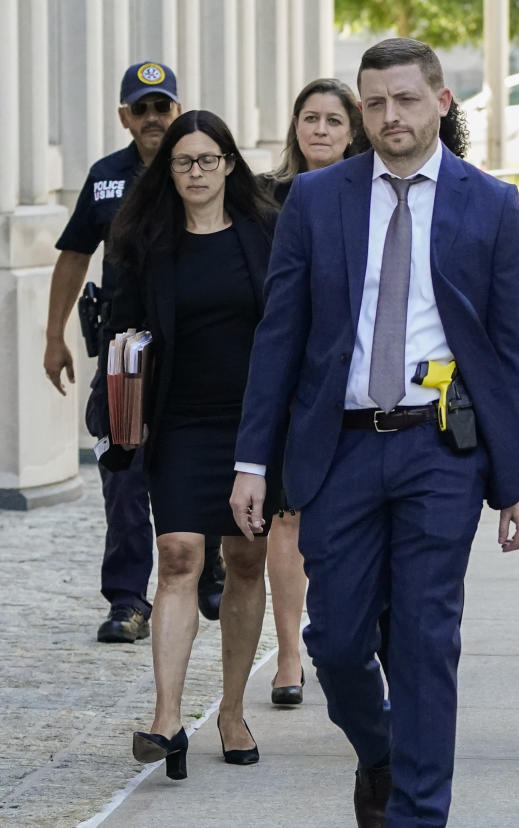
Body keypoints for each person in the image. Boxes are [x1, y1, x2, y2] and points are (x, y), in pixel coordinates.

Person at [228, 38, 519, 827]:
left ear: (440, 99)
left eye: (404, 98)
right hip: (341, 448)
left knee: (427, 638)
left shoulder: (492, 203)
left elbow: (512, 351)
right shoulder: (318, 199)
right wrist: (252, 460)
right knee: (334, 642)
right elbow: (280, 336)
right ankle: (384, 751)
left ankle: (416, 813)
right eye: (375, 102)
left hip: (441, 451)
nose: (389, 115)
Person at [105, 109, 278, 779]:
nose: (197, 172)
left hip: (255, 422)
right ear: (167, 170)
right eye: (184, 162)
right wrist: (116, 416)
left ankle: (231, 710)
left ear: (230, 163)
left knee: (245, 558)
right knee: (177, 554)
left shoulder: (266, 233)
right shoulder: (142, 238)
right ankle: (167, 718)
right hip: (177, 420)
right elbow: (118, 336)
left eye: (209, 160)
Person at [41, 61, 225, 642]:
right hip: (127, 357)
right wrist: (54, 337)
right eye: (140, 108)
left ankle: (209, 568)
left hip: (195, 351)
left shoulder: (197, 168)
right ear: (125, 116)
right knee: (123, 475)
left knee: (204, 462)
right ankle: (127, 599)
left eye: (161, 106)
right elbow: (73, 254)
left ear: (177, 109)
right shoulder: (106, 180)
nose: (152, 118)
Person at [260, 77, 367, 707]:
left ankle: (347, 635)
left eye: (333, 119)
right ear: (294, 126)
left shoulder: (370, 195)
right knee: (286, 512)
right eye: (310, 118)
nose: (320, 130)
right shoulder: (263, 198)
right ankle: (290, 654)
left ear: (351, 130)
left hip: (350, 379)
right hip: (286, 376)